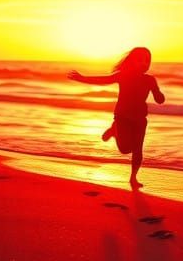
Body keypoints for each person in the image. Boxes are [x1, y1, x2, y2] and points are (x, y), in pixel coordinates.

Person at [68, 47, 165, 190]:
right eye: (140, 60)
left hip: (140, 119)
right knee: (125, 149)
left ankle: (133, 178)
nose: (144, 63)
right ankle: (114, 130)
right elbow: (103, 80)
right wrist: (82, 78)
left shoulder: (150, 80)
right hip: (122, 117)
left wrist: (159, 96)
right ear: (132, 61)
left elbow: (158, 97)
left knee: (137, 149)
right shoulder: (123, 75)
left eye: (147, 60)